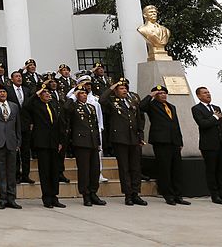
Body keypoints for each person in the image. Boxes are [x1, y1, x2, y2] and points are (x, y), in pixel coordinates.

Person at [100, 78, 147, 206]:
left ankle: (136, 193)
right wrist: (112, 87)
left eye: (125, 88)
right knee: (124, 168)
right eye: (121, 88)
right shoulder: (112, 101)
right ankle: (128, 194)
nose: (124, 90)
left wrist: (140, 135)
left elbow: (139, 119)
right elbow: (102, 100)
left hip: (134, 138)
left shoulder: (132, 101)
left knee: (135, 167)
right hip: (120, 139)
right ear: (116, 91)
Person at [141, 84, 190, 205]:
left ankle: (178, 195)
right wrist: (150, 96)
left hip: (174, 141)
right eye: (159, 94)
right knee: (165, 169)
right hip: (161, 141)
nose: (163, 95)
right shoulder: (152, 105)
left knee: (176, 169)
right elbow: (141, 107)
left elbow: (175, 124)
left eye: (164, 93)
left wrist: (180, 141)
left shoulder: (171, 107)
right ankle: (168, 195)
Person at [192, 86, 222, 205]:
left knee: (221, 171)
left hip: (221, 145)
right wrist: (215, 117)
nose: (208, 94)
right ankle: (215, 195)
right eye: (205, 93)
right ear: (198, 96)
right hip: (208, 146)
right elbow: (203, 124)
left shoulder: (216, 108)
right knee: (211, 171)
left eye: (208, 92)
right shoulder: (196, 109)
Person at [63, 85, 106, 207]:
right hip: (81, 142)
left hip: (92, 142)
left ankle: (93, 192)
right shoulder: (73, 107)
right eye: (81, 93)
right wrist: (72, 97)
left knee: (95, 169)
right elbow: (66, 109)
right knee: (84, 170)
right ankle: (85, 194)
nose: (84, 95)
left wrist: (98, 143)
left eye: (86, 93)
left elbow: (95, 126)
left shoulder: (91, 107)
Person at [25, 83, 65, 208]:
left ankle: (54, 196)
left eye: (48, 92)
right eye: (44, 92)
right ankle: (47, 197)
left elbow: (59, 124)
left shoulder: (53, 105)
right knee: (45, 171)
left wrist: (60, 141)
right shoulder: (36, 105)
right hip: (42, 143)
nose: (47, 94)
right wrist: (37, 92)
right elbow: (26, 105)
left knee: (54, 170)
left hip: (54, 143)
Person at [8, 70, 34, 184]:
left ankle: (26, 175)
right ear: (12, 79)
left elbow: (30, 108)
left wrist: (31, 121)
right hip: (13, 124)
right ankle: (16, 175)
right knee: (15, 151)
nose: (19, 78)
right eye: (16, 76)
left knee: (25, 151)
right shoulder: (8, 91)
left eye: (20, 76)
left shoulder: (26, 90)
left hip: (26, 124)